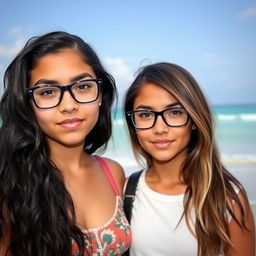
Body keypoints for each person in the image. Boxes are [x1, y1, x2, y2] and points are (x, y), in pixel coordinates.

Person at [0, 31, 131, 256]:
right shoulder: (9, 184)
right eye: (48, 92)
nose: (68, 105)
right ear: (27, 103)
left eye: (82, 87)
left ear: (100, 94)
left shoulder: (114, 173)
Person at [123, 62, 255, 256]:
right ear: (133, 124)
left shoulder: (227, 198)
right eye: (145, 114)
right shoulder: (125, 191)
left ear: (194, 119)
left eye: (175, 112)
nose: (160, 128)